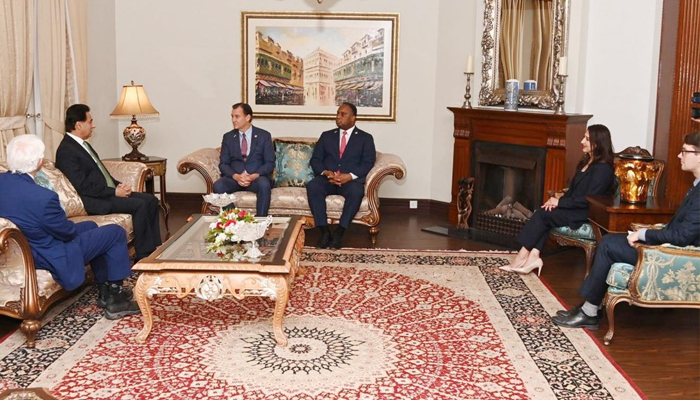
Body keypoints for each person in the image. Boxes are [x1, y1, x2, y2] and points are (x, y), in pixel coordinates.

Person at [552, 132, 700, 330]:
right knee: (610, 240)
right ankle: (591, 308)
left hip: (672, 254)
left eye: (684, 151)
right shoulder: (695, 187)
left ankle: (589, 311)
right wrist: (647, 232)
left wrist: (643, 235)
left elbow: (682, 236)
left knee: (608, 245)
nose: (679, 155)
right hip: (667, 246)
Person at [0, 135, 139, 320]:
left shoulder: (3, 183)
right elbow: (66, 232)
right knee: (115, 232)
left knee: (90, 225)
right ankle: (116, 300)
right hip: (48, 253)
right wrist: (68, 226)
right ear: (39, 162)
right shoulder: (43, 197)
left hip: (27, 245)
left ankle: (105, 288)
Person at [500, 124, 616, 275]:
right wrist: (554, 202)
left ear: (598, 143)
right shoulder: (585, 162)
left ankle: (522, 256)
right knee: (545, 210)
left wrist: (559, 203)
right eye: (584, 137)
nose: (582, 141)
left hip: (586, 212)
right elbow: (572, 191)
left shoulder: (603, 169)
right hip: (573, 207)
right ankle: (533, 255)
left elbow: (589, 200)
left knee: (543, 215)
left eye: (587, 139)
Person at [55, 104, 161, 261]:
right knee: (139, 205)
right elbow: (82, 186)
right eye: (90, 121)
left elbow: (100, 173)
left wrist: (117, 184)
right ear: (79, 125)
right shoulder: (66, 150)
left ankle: (155, 249)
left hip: (103, 193)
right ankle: (144, 256)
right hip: (92, 200)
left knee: (151, 200)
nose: (94, 125)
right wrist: (114, 192)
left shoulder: (82, 145)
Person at [307, 102, 376, 249]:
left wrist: (349, 176)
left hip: (350, 181)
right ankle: (324, 231)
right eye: (338, 113)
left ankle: (339, 233)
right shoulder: (327, 136)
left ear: (353, 118)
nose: (338, 117)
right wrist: (326, 172)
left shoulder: (365, 138)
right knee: (313, 186)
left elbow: (368, 162)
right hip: (328, 179)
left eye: (343, 114)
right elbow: (315, 160)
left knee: (356, 192)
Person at [213, 103, 275, 216]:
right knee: (218, 186)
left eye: (237, 116)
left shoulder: (264, 136)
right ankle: (235, 218)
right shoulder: (228, 137)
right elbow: (223, 164)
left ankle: (261, 221)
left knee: (264, 185)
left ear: (248, 117)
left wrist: (254, 176)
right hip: (235, 178)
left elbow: (270, 163)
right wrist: (236, 176)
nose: (233, 120)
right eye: (232, 116)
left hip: (256, 178)